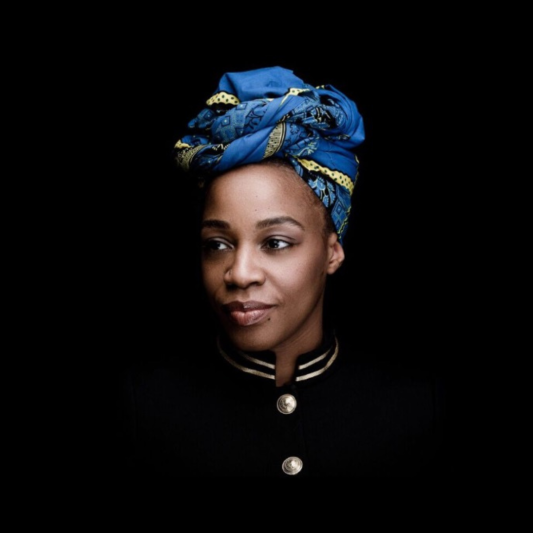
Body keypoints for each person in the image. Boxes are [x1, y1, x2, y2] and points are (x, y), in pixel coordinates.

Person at [116, 66, 446, 476]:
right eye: (217, 244)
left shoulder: (416, 412)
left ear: (332, 252)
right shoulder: (143, 413)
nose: (239, 274)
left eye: (275, 243)